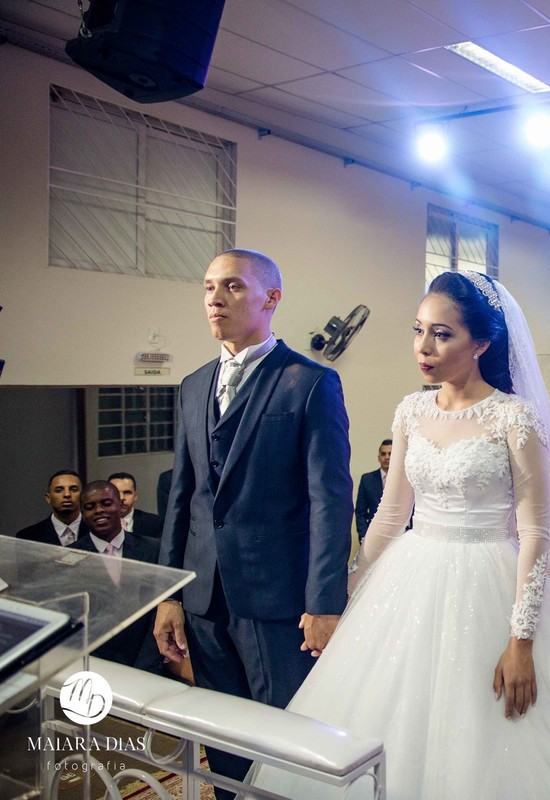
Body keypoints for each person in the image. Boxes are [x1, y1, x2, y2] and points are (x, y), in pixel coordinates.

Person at [250, 271, 550, 799]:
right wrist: (349, 591)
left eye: (442, 334)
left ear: (481, 343)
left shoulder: (514, 418)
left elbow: (535, 532)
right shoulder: (411, 410)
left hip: (491, 578)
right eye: (418, 329)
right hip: (411, 575)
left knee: (493, 735)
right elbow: (389, 515)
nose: (423, 348)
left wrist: (521, 639)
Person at [155, 249, 353, 796]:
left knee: (285, 734)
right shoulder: (194, 385)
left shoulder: (310, 382)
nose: (216, 298)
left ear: (272, 298)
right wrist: (169, 592)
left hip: (278, 600)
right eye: (209, 287)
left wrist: (324, 601)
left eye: (234, 286)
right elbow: (183, 494)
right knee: (222, 736)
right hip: (202, 596)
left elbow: (329, 501)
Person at [71, 480, 162, 672]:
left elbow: (159, 610)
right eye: (89, 507)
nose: (98, 510)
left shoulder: (154, 549)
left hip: (149, 664)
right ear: (82, 512)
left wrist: (147, 663)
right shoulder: (70, 558)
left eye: (106, 503)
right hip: (94, 666)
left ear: (121, 506)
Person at [16, 470, 90, 546]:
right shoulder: (27, 537)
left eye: (73, 489)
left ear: (83, 496)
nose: (67, 494)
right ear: (48, 498)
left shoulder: (98, 531)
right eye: (59, 490)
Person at [354, 439, 392, 542]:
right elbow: (360, 512)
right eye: (383, 454)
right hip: (373, 535)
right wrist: (364, 536)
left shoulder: (404, 480)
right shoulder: (367, 479)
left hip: (398, 537)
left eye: (390, 454)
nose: (387, 457)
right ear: (378, 458)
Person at [107, 472, 163, 539]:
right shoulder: (94, 523)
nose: (121, 497)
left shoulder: (155, 523)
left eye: (127, 492)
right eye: (115, 492)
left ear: (135, 496)